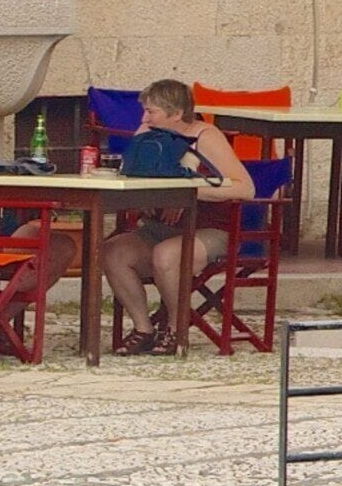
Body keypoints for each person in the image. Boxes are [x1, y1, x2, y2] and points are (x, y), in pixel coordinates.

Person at [99, 77, 249, 355]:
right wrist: (146, 198)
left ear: (177, 114)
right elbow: (136, 176)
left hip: (209, 229)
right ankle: (143, 328)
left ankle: (176, 329)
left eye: (151, 112)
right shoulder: (149, 133)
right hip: (160, 227)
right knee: (112, 252)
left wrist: (187, 194)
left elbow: (245, 188)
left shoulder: (205, 136)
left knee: (166, 255)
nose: (144, 118)